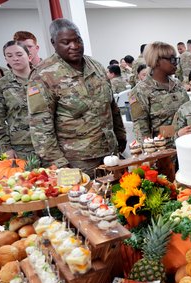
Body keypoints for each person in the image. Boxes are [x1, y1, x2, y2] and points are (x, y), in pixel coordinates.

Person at [27, 18, 126, 175]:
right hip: (76, 162)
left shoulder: (96, 66)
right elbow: (41, 129)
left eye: (77, 40)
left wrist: (121, 137)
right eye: (66, 42)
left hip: (110, 153)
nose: (74, 46)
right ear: (53, 43)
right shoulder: (43, 76)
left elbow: (111, 106)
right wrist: (59, 165)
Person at [129, 41, 189, 147]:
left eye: (176, 59)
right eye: (171, 59)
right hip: (163, 152)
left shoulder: (178, 85)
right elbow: (142, 132)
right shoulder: (140, 91)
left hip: (186, 146)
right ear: (156, 61)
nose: (175, 62)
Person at [0, 41, 36, 159]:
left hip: (51, 145)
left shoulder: (44, 79)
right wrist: (6, 148)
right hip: (22, 148)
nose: (15, 59)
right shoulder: (0, 86)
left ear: (29, 56)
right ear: (6, 60)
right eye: (9, 56)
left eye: (19, 55)